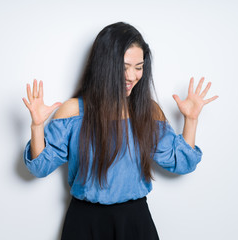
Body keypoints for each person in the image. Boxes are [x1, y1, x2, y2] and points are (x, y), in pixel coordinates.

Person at [22, 22, 218, 240]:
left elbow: (181, 162)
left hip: (134, 221)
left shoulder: (147, 111)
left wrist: (191, 120)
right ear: (104, 65)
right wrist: (36, 126)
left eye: (138, 67)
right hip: (85, 223)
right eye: (124, 67)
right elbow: (40, 167)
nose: (132, 76)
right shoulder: (74, 111)